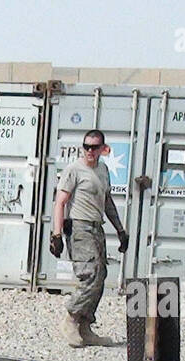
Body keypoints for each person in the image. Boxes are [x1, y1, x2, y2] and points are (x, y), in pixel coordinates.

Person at [50, 129, 129, 348]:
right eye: (86, 147)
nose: (89, 151)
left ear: (103, 149)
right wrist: (56, 234)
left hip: (96, 228)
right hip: (79, 228)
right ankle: (72, 318)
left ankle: (85, 328)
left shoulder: (102, 170)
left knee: (100, 276)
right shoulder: (74, 170)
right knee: (90, 275)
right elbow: (60, 202)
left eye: (94, 147)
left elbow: (107, 202)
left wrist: (120, 230)